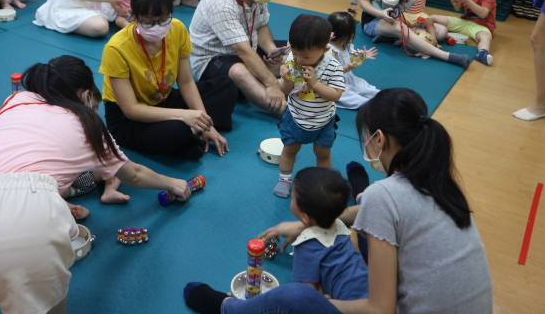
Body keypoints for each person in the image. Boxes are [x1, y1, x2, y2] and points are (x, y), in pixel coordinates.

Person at [0, 56, 192, 314]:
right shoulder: (87, 122)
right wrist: (173, 183)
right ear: (87, 96)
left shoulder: (15, 98)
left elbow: (17, 162)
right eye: (95, 105)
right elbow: (134, 175)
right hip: (21, 228)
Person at [186, 88, 493, 314]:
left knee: (295, 297)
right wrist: (316, 221)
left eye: (366, 137)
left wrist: (327, 303)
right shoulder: (439, 181)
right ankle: (357, 190)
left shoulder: (384, 195)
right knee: (363, 242)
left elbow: (380, 310)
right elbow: (382, 213)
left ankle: (227, 307)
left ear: (380, 140)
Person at [183, 167, 368, 314]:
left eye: (293, 197)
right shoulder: (344, 228)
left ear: (304, 215)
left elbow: (306, 297)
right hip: (368, 291)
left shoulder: (307, 245)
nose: (291, 199)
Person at [101, 0, 236, 160]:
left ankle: (192, 131)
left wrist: (206, 125)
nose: (157, 27)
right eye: (148, 22)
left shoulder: (177, 29)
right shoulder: (116, 48)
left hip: (163, 98)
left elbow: (187, 82)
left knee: (226, 86)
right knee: (178, 132)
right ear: (133, 15)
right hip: (129, 119)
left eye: (164, 20)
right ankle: (187, 132)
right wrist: (183, 115)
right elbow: (131, 109)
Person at [190, 0, 293, 116]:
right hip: (213, 59)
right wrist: (272, 83)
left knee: (297, 48)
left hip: (247, 44)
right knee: (239, 71)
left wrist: (271, 50)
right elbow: (242, 51)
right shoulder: (222, 2)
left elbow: (260, 26)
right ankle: (287, 111)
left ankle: (276, 76)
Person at [275, 14, 345, 198]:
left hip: (323, 121)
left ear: (324, 49)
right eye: (295, 52)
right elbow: (286, 90)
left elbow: (336, 95)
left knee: (322, 153)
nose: (298, 59)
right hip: (295, 116)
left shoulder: (333, 66)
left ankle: (323, 181)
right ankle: (284, 180)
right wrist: (286, 79)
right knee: (290, 149)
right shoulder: (292, 59)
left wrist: (315, 83)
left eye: (304, 56)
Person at [430, 0, 497, 66]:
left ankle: (482, 54)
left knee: (486, 37)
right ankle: (431, 34)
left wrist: (466, 0)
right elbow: (458, 9)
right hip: (464, 22)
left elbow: (483, 14)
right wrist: (455, 3)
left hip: (481, 27)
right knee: (432, 17)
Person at [328, 9, 379, 110]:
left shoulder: (346, 45)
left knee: (367, 88)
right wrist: (348, 67)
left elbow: (353, 59)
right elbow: (333, 72)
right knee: (350, 97)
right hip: (334, 83)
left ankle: (383, 98)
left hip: (349, 78)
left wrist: (362, 56)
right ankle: (371, 106)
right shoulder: (329, 50)